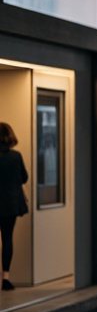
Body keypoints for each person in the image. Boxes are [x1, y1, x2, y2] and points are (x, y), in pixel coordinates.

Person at [0, 122, 29, 292]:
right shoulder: (16, 156)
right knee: (7, 238)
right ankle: (6, 279)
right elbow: (24, 178)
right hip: (10, 204)